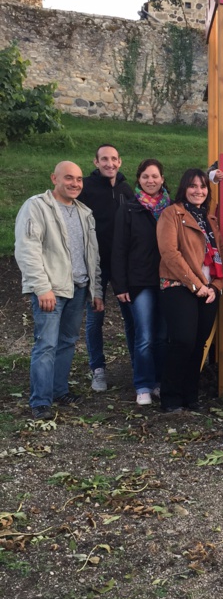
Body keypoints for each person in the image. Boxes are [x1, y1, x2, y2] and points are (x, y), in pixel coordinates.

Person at [15, 162, 104, 420]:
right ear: (54, 178)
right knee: (46, 344)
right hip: (51, 290)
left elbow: (93, 255)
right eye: (69, 178)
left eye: (79, 179)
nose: (75, 183)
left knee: (67, 342)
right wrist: (41, 288)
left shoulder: (84, 213)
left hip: (78, 288)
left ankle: (58, 390)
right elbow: (27, 249)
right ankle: (40, 401)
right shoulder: (37, 207)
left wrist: (96, 290)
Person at [157, 168, 223, 413]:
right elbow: (170, 253)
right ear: (184, 188)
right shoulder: (171, 214)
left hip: (209, 290)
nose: (199, 191)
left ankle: (191, 396)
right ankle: (170, 397)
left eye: (203, 186)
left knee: (198, 344)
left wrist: (215, 287)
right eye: (193, 186)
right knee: (182, 341)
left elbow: (221, 255)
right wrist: (197, 285)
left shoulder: (210, 219)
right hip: (179, 286)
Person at [112, 159, 171, 406]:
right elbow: (119, 248)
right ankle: (143, 384)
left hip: (167, 280)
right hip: (140, 282)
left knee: (162, 336)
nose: (150, 180)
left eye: (155, 176)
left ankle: (159, 381)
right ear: (139, 179)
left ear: (162, 179)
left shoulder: (171, 209)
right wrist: (120, 285)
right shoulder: (129, 209)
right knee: (144, 335)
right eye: (145, 176)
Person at [78, 143, 135, 392]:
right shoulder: (86, 188)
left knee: (131, 317)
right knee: (95, 318)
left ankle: (137, 364)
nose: (109, 163)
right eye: (104, 159)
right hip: (96, 264)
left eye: (113, 159)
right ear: (96, 162)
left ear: (119, 162)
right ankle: (98, 369)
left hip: (122, 264)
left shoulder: (126, 189)